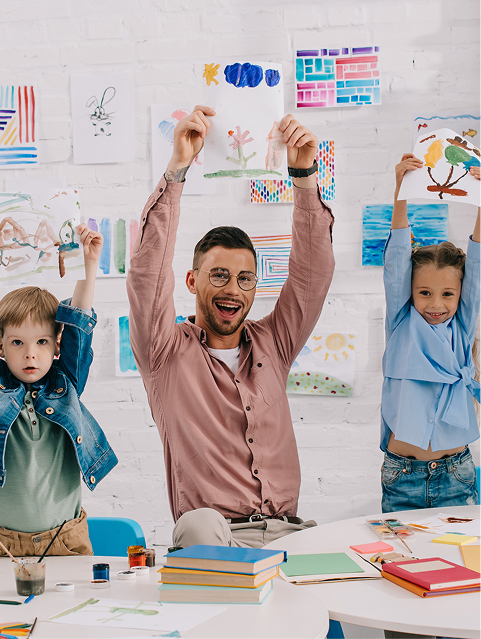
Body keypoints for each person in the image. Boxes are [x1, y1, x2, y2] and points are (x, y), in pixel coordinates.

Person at [127, 105, 335, 549]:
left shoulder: (273, 343)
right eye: (218, 275)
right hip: (217, 539)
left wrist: (304, 177)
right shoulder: (164, 351)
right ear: (192, 280)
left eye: (244, 279)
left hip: (290, 534)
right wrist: (178, 169)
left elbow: (313, 275)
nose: (233, 291)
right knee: (200, 526)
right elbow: (148, 274)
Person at [0, 224, 118, 556]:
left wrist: (88, 263)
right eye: (17, 343)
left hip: (64, 539)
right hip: (3, 543)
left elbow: (78, 322)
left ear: (56, 345)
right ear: (1, 346)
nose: (30, 353)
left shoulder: (65, 383)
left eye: (41, 342)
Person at [380, 154, 480, 513]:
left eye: (447, 294)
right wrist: (401, 190)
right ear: (410, 292)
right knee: (400, 565)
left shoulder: (463, 326)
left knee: (461, 567)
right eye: (424, 293)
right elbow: (395, 261)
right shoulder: (401, 321)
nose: (435, 304)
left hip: (456, 473)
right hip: (402, 474)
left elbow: (478, 265)